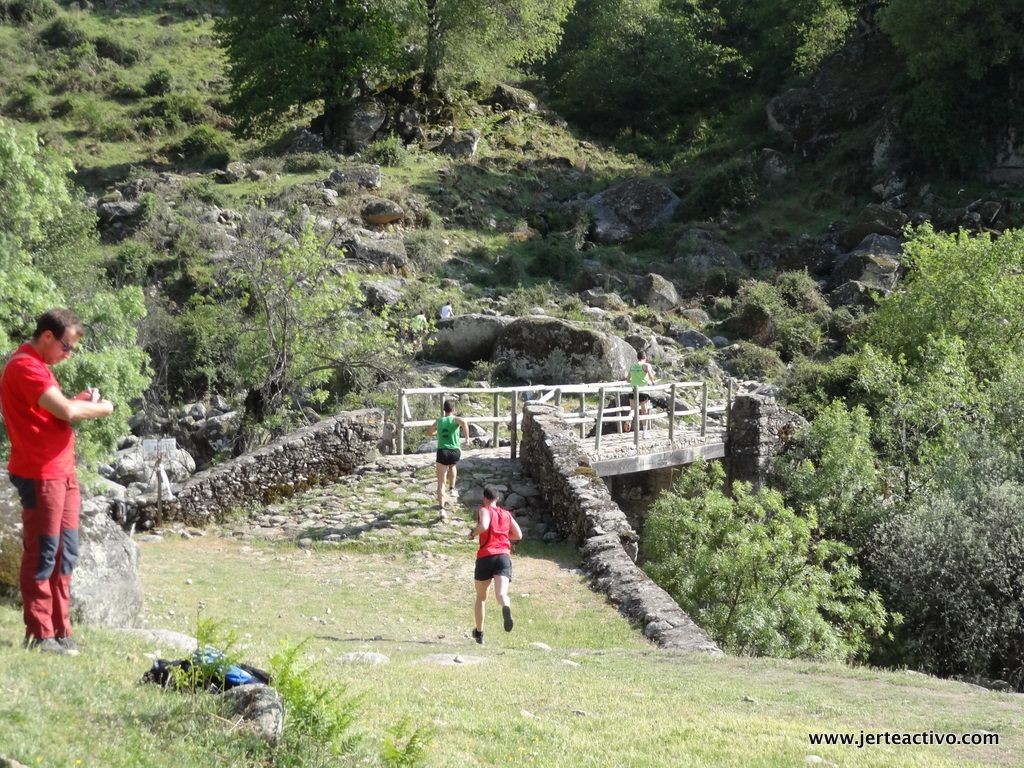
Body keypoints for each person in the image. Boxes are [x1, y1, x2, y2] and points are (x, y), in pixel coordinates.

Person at [1, 309, 114, 655]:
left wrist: (78, 401)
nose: (69, 355)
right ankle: (40, 633)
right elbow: (64, 413)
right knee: (43, 551)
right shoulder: (25, 367)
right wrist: (102, 407)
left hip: (62, 472)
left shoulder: (41, 369)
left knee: (66, 551)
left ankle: (60, 630)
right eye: (67, 347)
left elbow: (55, 410)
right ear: (47, 337)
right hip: (40, 473)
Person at [468, 486, 522, 645]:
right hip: (503, 557)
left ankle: (479, 633)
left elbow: (484, 526)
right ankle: (505, 606)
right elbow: (518, 534)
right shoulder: (506, 514)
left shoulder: (484, 510)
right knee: (501, 594)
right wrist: (504, 537)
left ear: (485, 498)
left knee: (481, 597)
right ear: (497, 499)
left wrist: (472, 534)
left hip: (486, 556)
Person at [425, 399, 468, 510]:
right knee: (452, 465)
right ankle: (452, 489)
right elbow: (464, 422)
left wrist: (437, 432)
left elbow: (429, 432)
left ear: (444, 409)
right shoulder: (455, 419)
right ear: (453, 409)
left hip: (442, 452)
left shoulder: (439, 421)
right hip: (454, 451)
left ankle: (442, 508)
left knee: (440, 483)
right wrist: (467, 439)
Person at [626, 349, 656, 436]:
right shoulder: (646, 365)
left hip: (633, 390)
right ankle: (645, 431)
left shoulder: (633, 366)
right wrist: (652, 382)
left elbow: (628, 380)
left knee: (633, 409)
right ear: (645, 357)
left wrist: (635, 380)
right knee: (644, 411)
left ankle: (628, 420)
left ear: (637, 357)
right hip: (643, 391)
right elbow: (651, 376)